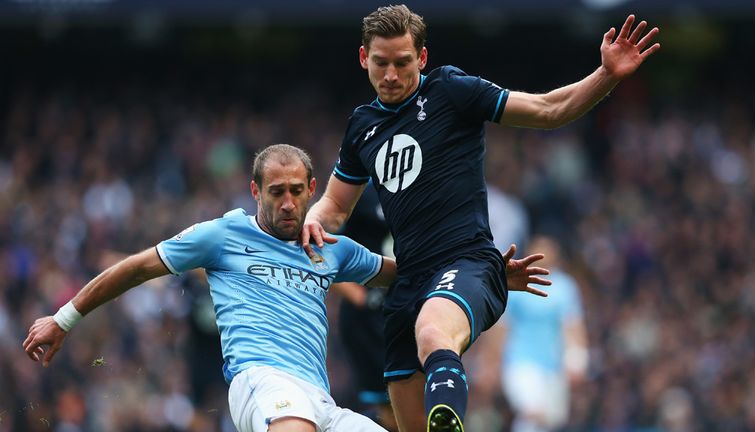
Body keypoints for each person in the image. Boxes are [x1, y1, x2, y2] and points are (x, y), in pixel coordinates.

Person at [300, 5, 659, 432]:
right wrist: (313, 221)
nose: (391, 74)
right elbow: (336, 206)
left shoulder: (451, 90)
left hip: (467, 263)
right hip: (407, 282)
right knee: (403, 421)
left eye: (402, 63)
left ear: (423, 58)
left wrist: (607, 75)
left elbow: (548, 109)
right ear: (364, 59)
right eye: (381, 63)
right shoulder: (363, 127)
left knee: (433, 333)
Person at [22, 144, 548, 432]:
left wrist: (492, 276)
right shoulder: (223, 234)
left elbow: (408, 274)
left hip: (322, 400)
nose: (289, 203)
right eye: (277, 192)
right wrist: (63, 318)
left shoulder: (333, 249)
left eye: (298, 191)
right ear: (256, 191)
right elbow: (135, 267)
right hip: (261, 382)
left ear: (312, 189)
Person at [500, 236, 588, 432]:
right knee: (532, 410)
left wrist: (578, 358)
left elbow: (573, 326)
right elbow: (502, 327)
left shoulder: (565, 287)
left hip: (553, 366)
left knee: (550, 420)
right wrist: (492, 362)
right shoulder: (516, 283)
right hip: (519, 361)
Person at [332, 181, 398, 431]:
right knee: (390, 410)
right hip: (369, 323)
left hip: (408, 311)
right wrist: (359, 296)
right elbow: (319, 245)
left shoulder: (422, 183)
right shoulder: (358, 191)